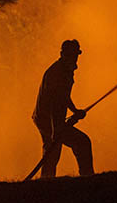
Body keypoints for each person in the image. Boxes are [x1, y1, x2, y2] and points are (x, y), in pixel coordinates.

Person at [32, 39, 94, 178]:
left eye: (76, 55)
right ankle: (88, 178)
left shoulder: (64, 70)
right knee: (81, 143)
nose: (75, 58)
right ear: (63, 54)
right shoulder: (59, 73)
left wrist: (75, 111)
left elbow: (63, 96)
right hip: (47, 119)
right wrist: (56, 129)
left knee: (53, 151)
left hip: (45, 118)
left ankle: (47, 181)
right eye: (72, 55)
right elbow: (55, 102)